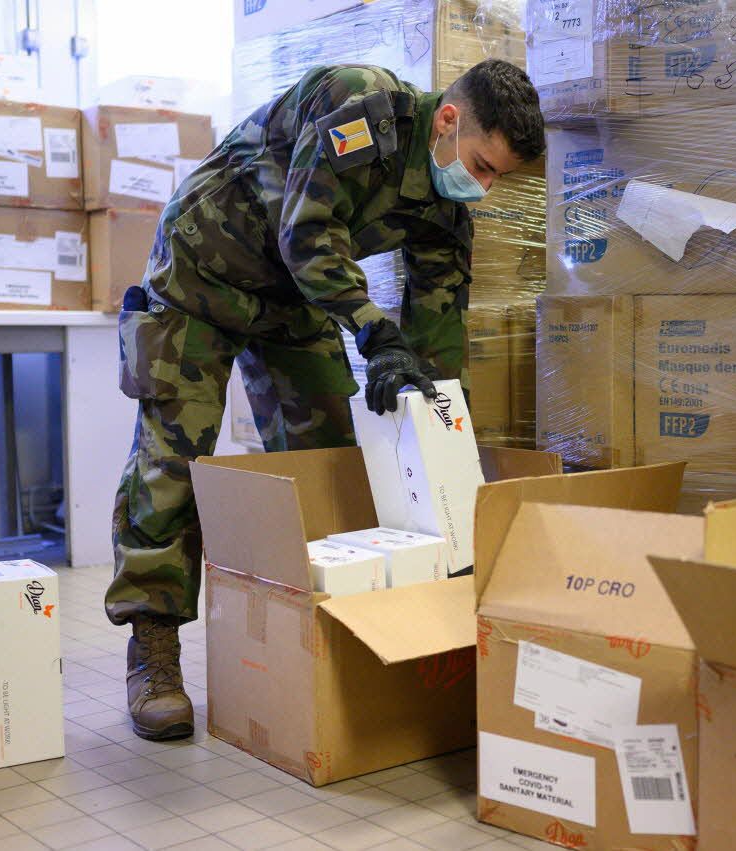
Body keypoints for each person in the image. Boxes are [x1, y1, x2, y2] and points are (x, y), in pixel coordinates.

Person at [105, 60, 545, 740]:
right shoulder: (361, 105)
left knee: (324, 464)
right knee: (174, 457)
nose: (483, 187)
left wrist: (437, 439)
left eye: (497, 178)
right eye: (483, 166)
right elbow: (305, 232)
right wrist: (374, 329)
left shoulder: (446, 204)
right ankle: (153, 651)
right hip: (202, 271)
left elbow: (438, 334)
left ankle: (309, 635)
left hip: (292, 301)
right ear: (450, 119)